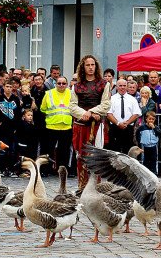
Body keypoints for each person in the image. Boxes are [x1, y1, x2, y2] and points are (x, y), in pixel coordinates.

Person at [69, 55, 111, 188]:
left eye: (93, 65)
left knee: (96, 156)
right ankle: (82, 186)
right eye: (88, 65)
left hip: (97, 127)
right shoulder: (77, 86)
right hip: (81, 126)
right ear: (83, 67)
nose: (91, 67)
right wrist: (84, 114)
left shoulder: (104, 84)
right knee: (81, 156)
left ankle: (95, 187)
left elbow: (106, 104)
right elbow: (72, 106)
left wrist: (92, 112)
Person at [40, 75, 73, 174]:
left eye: (64, 83)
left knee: (64, 151)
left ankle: (62, 170)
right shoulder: (49, 94)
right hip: (51, 126)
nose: (61, 85)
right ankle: (46, 170)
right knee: (48, 150)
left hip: (66, 126)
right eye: (59, 83)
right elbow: (43, 108)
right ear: (55, 84)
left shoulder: (71, 94)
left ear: (67, 84)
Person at [106, 77, 141, 154]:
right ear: (117, 87)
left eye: (124, 85)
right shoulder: (111, 99)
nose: (122, 87)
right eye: (120, 85)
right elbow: (108, 114)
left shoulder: (132, 99)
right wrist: (118, 123)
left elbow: (136, 114)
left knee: (127, 152)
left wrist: (127, 123)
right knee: (114, 152)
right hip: (115, 128)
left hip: (128, 129)